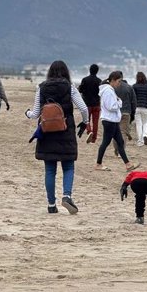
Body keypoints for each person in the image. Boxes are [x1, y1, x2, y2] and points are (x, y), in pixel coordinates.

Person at [25, 60, 89, 214]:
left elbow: (34, 114)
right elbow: (83, 108)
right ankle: (66, 196)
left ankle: (51, 204)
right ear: (66, 72)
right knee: (68, 166)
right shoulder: (70, 87)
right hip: (66, 130)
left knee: (49, 169)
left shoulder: (41, 88)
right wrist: (85, 122)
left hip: (47, 132)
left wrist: (26, 113)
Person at [95, 71, 140, 172]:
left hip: (113, 120)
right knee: (105, 142)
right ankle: (98, 164)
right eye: (119, 81)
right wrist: (119, 102)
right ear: (113, 80)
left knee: (120, 142)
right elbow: (111, 106)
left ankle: (128, 164)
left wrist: (117, 101)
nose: (119, 84)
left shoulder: (110, 90)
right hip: (109, 120)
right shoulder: (108, 91)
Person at [78, 64, 101, 144]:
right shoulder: (99, 81)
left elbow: (80, 90)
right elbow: (100, 93)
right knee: (95, 122)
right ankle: (94, 139)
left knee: (86, 119)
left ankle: (89, 131)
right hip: (96, 104)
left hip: (87, 104)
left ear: (89, 70)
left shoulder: (85, 80)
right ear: (97, 71)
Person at [113, 77, 136, 155]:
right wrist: (133, 113)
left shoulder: (113, 87)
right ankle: (121, 150)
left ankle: (116, 148)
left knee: (115, 131)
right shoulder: (129, 87)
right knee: (123, 132)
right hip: (126, 112)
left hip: (115, 112)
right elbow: (133, 101)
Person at [132, 72, 147, 147]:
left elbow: (132, 97)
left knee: (138, 124)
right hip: (145, 107)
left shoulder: (134, 86)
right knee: (145, 123)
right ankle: (145, 136)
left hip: (137, 107)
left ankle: (140, 141)